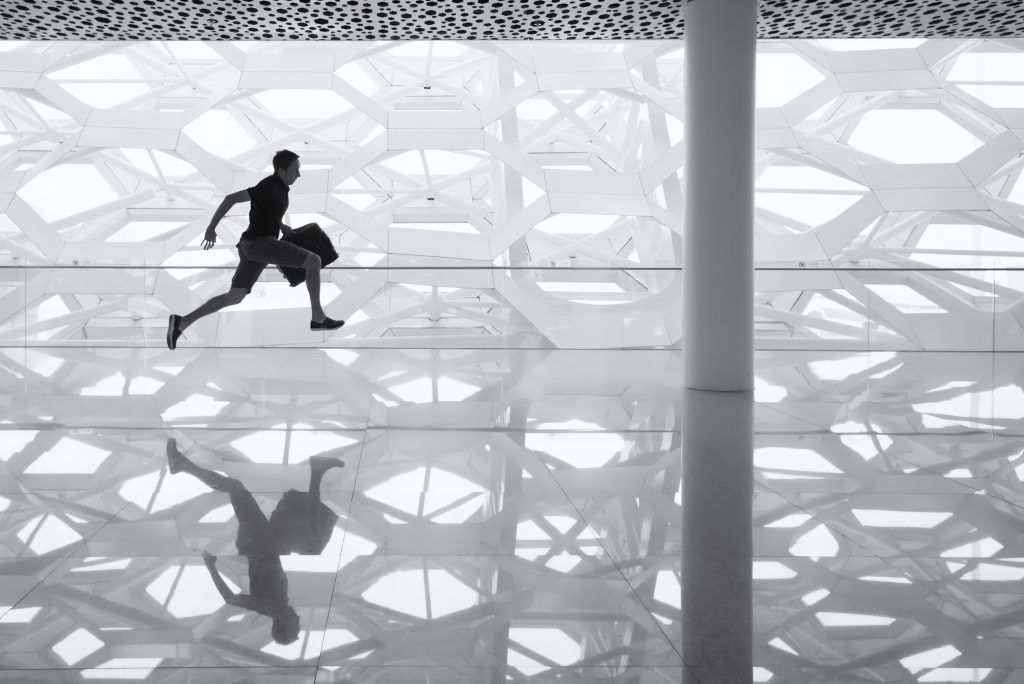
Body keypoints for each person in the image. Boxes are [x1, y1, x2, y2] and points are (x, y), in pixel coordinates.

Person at [165, 438, 345, 644]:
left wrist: (211, 567)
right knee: (312, 542)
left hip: (258, 541)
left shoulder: (268, 606)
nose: (297, 618)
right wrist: (211, 567)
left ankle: (318, 471)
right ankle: (317, 471)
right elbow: (231, 599)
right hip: (266, 542)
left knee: (311, 540)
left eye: (294, 624)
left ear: (283, 624)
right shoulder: (272, 606)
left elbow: (230, 598)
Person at [166, 149, 343, 350]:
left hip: (252, 246)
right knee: (314, 261)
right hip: (258, 244)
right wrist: (211, 228)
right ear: (281, 170)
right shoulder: (267, 186)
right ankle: (318, 317)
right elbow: (230, 199)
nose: (298, 175)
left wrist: (281, 226)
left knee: (235, 297)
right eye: (295, 170)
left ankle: (182, 322)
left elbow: (266, 214)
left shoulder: (281, 188)